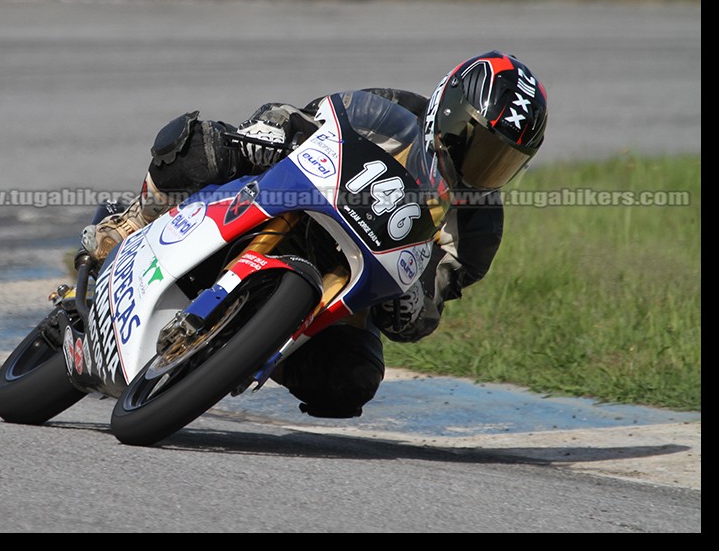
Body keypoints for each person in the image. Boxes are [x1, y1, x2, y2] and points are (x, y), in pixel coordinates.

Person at [79, 51, 548, 419]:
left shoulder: (478, 227)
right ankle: (134, 221)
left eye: (502, 160)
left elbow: (422, 318)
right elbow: (309, 119)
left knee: (350, 382)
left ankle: (243, 351)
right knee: (204, 144)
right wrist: (269, 130)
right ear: (448, 110)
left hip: (347, 280)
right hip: (295, 204)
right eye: (477, 143)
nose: (481, 167)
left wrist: (413, 294)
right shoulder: (396, 110)